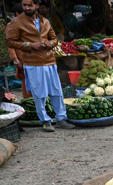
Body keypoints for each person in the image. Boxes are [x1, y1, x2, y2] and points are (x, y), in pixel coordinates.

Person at [6, 0, 74, 132]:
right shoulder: (17, 22)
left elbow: (54, 39)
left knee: (56, 91)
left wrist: (51, 44)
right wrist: (29, 45)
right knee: (39, 93)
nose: (26, 8)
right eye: (24, 5)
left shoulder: (45, 22)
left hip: (49, 60)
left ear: (36, 6)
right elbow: (10, 42)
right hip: (32, 62)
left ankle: (61, 119)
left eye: (29, 5)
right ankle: (45, 121)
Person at [8, 3, 31, 99]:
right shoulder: (11, 25)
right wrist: (14, 58)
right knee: (26, 78)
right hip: (21, 56)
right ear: (17, 13)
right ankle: (29, 100)